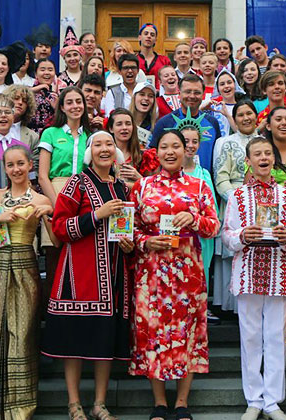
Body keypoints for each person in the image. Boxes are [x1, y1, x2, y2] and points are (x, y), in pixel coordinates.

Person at [41, 131, 133, 420]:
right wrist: (97, 215)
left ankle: (99, 403)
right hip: (79, 275)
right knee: (75, 341)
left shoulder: (122, 188)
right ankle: (74, 403)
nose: (104, 149)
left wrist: (129, 243)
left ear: (116, 152)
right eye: (98, 144)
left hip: (114, 275)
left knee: (105, 340)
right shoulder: (76, 183)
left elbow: (127, 228)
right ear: (89, 152)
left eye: (109, 144)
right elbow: (59, 227)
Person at [129, 130, 220, 420]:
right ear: (156, 152)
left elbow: (213, 226)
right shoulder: (142, 186)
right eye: (164, 147)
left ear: (185, 150)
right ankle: (159, 402)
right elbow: (128, 228)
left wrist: (194, 219)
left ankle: (181, 402)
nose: (170, 152)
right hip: (151, 271)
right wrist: (146, 241)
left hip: (187, 272)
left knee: (188, 331)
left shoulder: (199, 186)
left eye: (176, 146)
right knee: (152, 330)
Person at [223, 137, 286, 420]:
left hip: (277, 274)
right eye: (257, 154)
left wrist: (285, 237)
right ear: (248, 161)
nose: (264, 158)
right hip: (247, 273)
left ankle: (273, 402)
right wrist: (244, 235)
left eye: (268, 153)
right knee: (251, 338)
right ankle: (254, 400)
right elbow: (227, 235)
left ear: (274, 159)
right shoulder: (237, 196)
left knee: (275, 338)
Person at [0, 145, 52, 420]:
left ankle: (20, 409)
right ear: (5, 169)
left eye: (20, 163)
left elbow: (55, 237)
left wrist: (45, 213)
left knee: (22, 334)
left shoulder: (41, 198)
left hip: (25, 264)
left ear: (30, 165)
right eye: (10, 165)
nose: (16, 169)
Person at [37, 87, 91, 311]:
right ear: (62, 107)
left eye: (79, 101)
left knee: (80, 257)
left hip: (84, 195)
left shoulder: (90, 136)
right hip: (55, 191)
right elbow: (42, 175)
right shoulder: (51, 133)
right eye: (70, 102)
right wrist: (56, 203)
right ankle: (52, 314)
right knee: (54, 257)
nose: (75, 106)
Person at [213, 99, 261, 314]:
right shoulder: (226, 143)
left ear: (256, 116)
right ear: (234, 119)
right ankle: (230, 306)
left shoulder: (264, 142)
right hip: (234, 200)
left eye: (249, 113)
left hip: (261, 203)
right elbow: (221, 177)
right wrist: (238, 199)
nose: (246, 118)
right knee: (233, 253)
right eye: (240, 115)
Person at [150, 74, 223, 173]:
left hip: (206, 180)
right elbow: (154, 161)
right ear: (179, 94)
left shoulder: (212, 123)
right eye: (187, 92)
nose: (192, 96)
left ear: (203, 95)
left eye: (197, 92)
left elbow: (218, 158)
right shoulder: (164, 123)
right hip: (173, 181)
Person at [181, 125, 219, 305]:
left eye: (194, 141)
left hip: (200, 237)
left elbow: (213, 210)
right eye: (186, 141)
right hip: (176, 236)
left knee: (198, 283)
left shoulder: (204, 174)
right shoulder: (167, 173)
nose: (190, 145)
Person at [0, 84, 40, 159]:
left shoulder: (32, 137)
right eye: (16, 98)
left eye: (25, 101)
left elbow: (34, 163)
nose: (20, 102)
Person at [107, 108, 148, 185]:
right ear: (111, 129)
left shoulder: (144, 157)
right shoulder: (105, 155)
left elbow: (154, 188)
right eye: (119, 124)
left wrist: (139, 178)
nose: (124, 127)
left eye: (128, 124)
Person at [28, 58, 61, 135]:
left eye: (50, 70)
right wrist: (37, 88)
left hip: (51, 135)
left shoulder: (57, 96)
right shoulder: (27, 92)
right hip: (31, 135)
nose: (46, 73)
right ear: (36, 74)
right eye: (42, 70)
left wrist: (57, 108)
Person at [137, 23, 172, 88]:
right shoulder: (133, 60)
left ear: (155, 40)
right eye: (146, 33)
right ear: (139, 37)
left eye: (152, 35)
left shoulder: (164, 60)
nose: (149, 36)